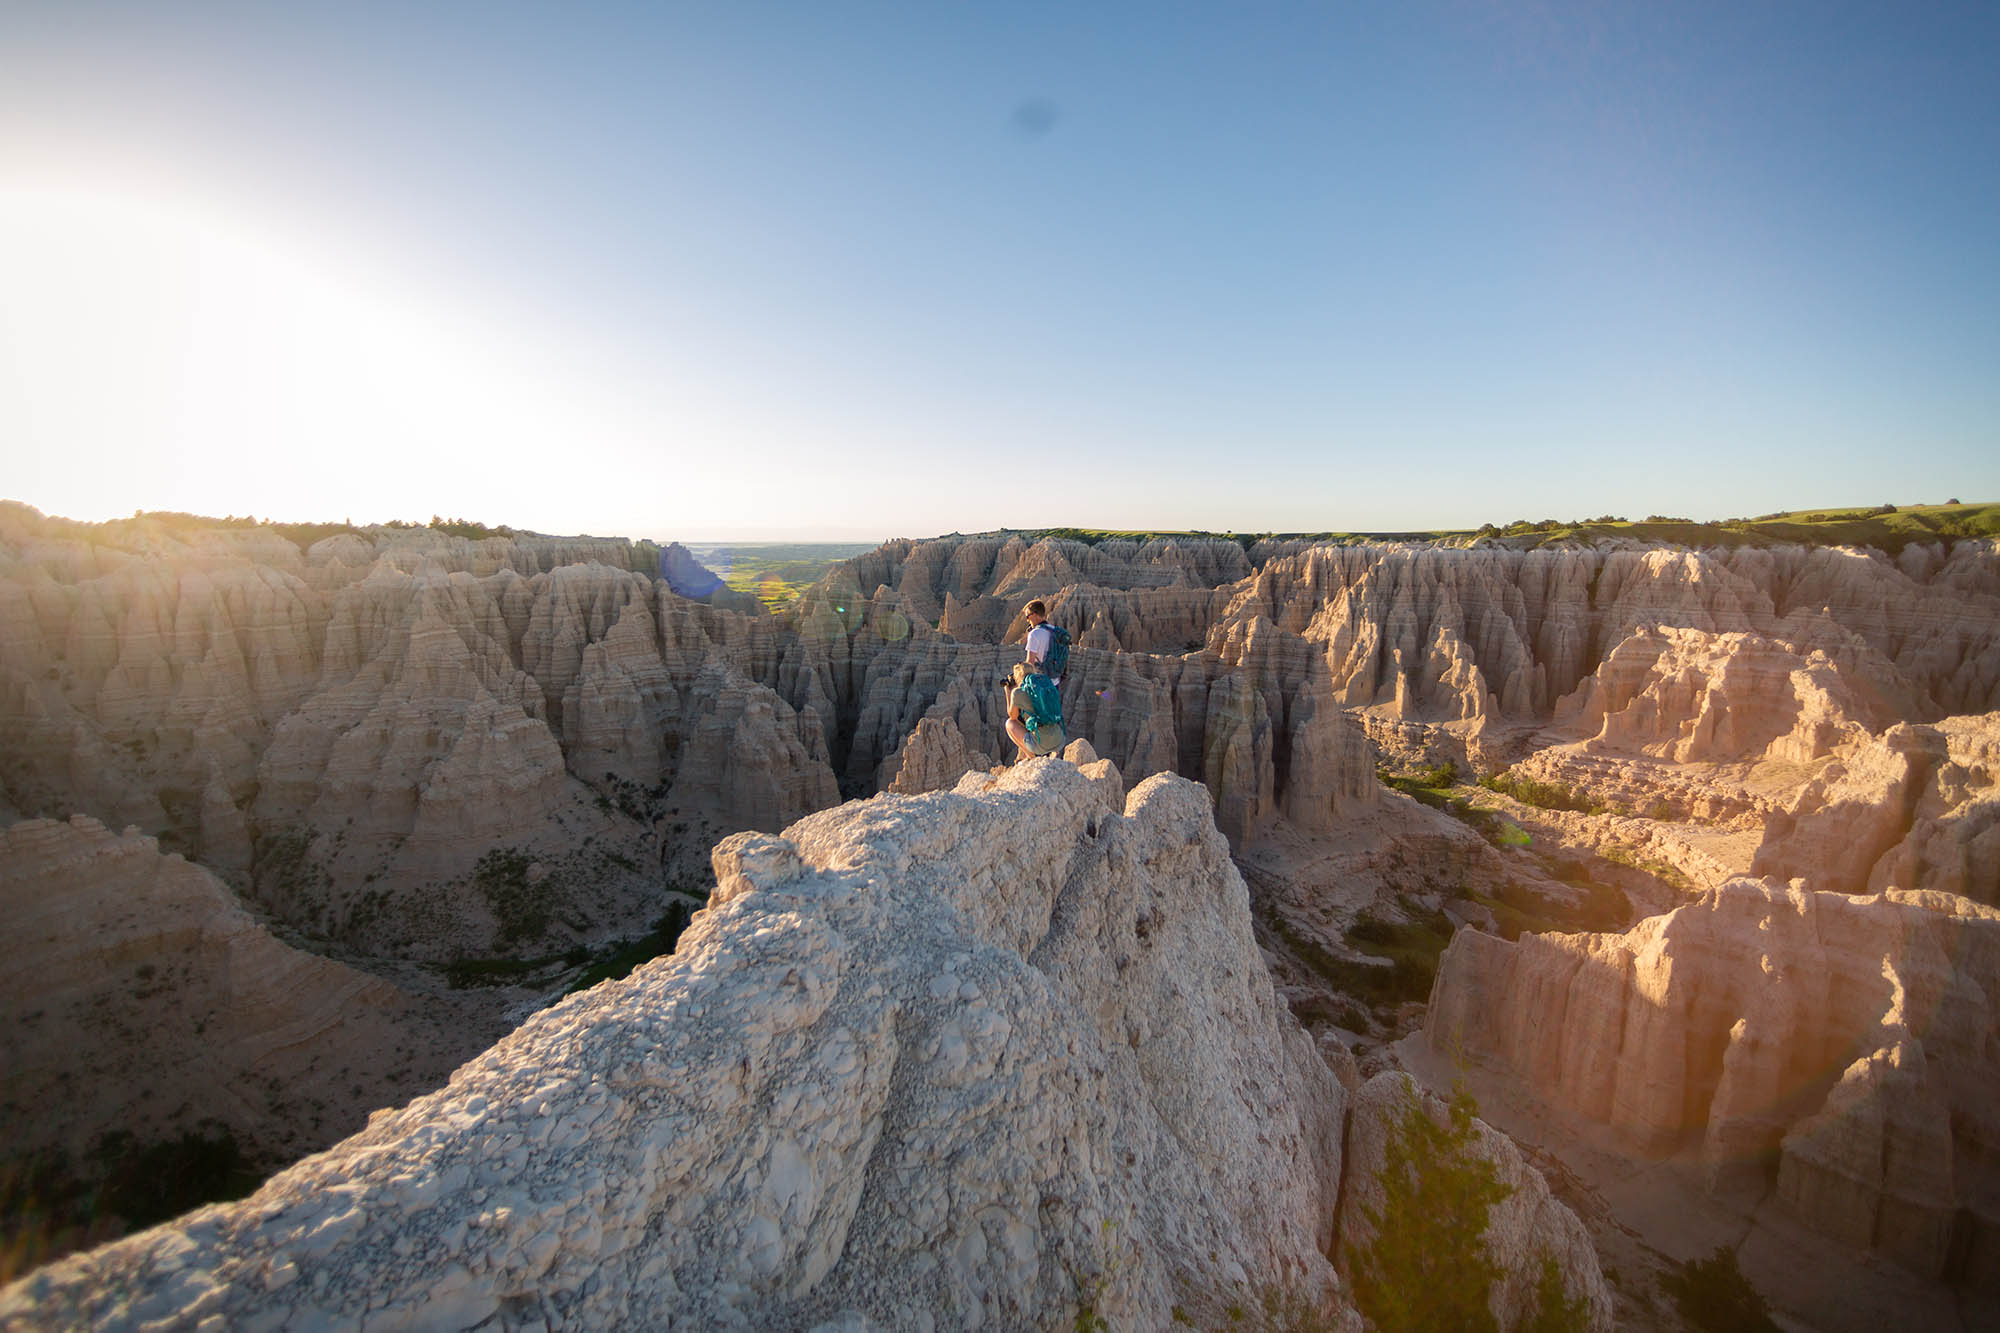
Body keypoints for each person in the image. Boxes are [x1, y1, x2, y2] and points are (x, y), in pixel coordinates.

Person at [1004, 661, 1064, 762]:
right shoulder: (1043, 687)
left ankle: (1032, 758)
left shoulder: (1018, 692)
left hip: (1041, 744)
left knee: (1009, 723)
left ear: (1017, 676)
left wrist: (1008, 692)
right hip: (1059, 740)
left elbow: (1012, 716)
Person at [1022, 599, 1063, 685]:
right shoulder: (1053, 630)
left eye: (1027, 616)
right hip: (1055, 682)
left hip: (1041, 683)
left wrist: (1022, 682)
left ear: (1035, 615)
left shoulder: (1034, 634)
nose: (1027, 620)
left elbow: (1030, 663)